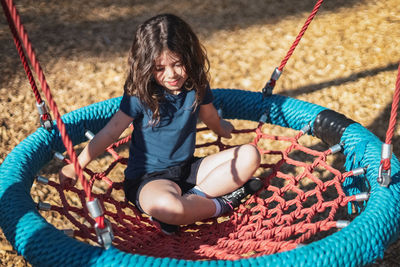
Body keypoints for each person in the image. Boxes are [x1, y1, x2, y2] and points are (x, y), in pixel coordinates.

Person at [59, 14, 262, 234]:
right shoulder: (140, 95)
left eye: (178, 64)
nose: (171, 74)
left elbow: (210, 116)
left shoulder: (196, 84)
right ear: (147, 67)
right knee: (168, 207)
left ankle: (194, 199)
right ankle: (221, 205)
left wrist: (222, 128)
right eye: (159, 68)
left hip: (190, 170)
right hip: (149, 181)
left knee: (250, 154)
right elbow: (110, 132)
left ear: (189, 57)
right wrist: (77, 165)